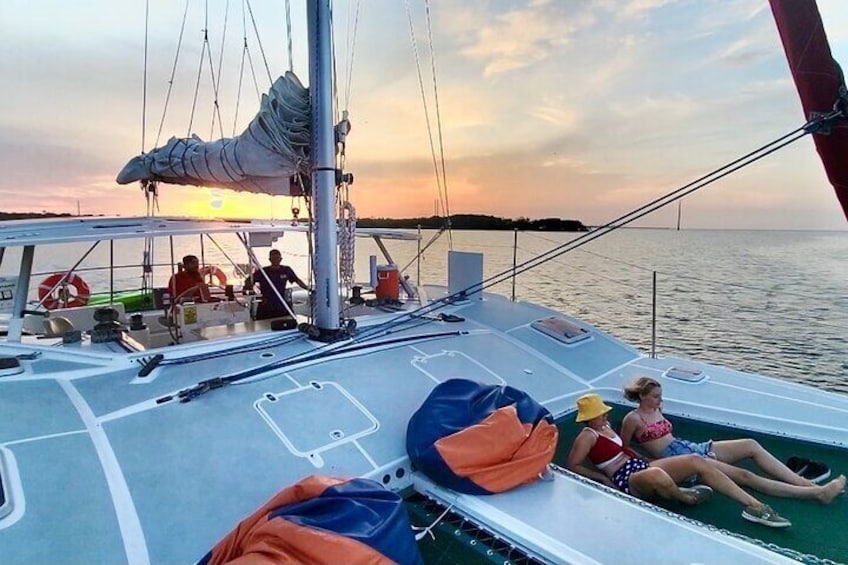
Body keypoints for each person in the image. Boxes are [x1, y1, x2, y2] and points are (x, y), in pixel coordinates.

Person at [567, 393, 794, 527]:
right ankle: (685, 497)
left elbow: (625, 447)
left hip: (639, 465)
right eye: (600, 414)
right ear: (589, 418)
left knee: (696, 459)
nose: (605, 415)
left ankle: (754, 506)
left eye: (604, 412)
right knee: (657, 475)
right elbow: (573, 464)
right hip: (624, 477)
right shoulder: (587, 436)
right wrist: (603, 479)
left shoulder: (605, 427)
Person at [620, 376, 844, 503]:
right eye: (656, 396)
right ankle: (816, 493)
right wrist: (650, 461)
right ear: (641, 396)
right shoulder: (633, 418)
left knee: (750, 445)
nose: (660, 400)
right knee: (746, 476)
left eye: (661, 395)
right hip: (677, 457)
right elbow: (625, 447)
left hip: (687, 446)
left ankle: (805, 483)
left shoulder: (657, 409)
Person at [249, 249, 308, 320]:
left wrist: (308, 288)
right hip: (266, 305)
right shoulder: (263, 271)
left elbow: (297, 280)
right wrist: (252, 290)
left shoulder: (286, 270)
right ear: (270, 259)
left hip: (281, 303)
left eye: (277, 258)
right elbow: (249, 281)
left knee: (286, 322)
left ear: (281, 259)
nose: (275, 260)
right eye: (273, 258)